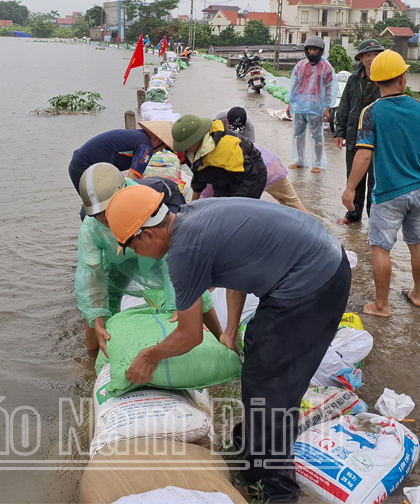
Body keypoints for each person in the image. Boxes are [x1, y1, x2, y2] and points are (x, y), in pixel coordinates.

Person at [105, 186, 351, 502]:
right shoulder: (192, 215)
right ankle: (252, 445)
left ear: (147, 235)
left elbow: (190, 334)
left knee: (269, 383)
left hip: (312, 281)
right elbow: (241, 271)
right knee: (261, 360)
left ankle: (274, 488)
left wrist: (151, 355)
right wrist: (231, 333)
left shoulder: (183, 253)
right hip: (321, 257)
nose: (134, 254)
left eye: (130, 246)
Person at [74, 163, 221, 355]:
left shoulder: (143, 202)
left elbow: (172, 253)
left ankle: (223, 341)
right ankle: (92, 361)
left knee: (194, 295)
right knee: (95, 315)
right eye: (98, 214)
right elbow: (91, 275)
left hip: (160, 257)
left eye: (108, 210)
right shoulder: (91, 228)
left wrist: (180, 306)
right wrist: (98, 320)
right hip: (118, 262)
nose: (104, 218)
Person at [341, 50, 420, 317]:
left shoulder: (372, 112)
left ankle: (381, 305)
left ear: (376, 82)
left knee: (380, 247)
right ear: (403, 79)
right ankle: (418, 295)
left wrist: (351, 187)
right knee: (417, 243)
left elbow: (363, 155)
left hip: (389, 193)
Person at [213, 107, 309, 212]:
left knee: (227, 207)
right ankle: (313, 225)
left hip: (258, 168)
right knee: (293, 202)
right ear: (226, 119)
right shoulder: (217, 121)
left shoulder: (247, 126)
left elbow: (248, 150)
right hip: (271, 164)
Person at [334, 39, 385, 225]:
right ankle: (353, 215)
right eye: (368, 55)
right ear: (361, 58)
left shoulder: (387, 78)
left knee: (375, 180)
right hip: (355, 134)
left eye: (376, 55)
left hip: (378, 137)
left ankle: (374, 218)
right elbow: (344, 106)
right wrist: (339, 132)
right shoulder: (354, 79)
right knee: (354, 175)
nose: (372, 59)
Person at [170, 114, 267, 200]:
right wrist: (192, 205)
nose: (185, 149)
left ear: (198, 138)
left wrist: (236, 202)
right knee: (218, 202)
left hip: (251, 174)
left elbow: (251, 175)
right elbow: (198, 172)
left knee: (234, 210)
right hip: (224, 173)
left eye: (187, 145)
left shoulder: (225, 148)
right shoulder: (192, 151)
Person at [68, 121, 175, 196]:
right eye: (165, 147)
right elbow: (132, 179)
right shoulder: (146, 147)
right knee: (99, 209)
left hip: (83, 163)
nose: (161, 151)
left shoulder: (139, 138)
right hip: (84, 167)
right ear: (158, 139)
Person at [286, 36, 336, 173]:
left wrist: (328, 108)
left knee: (317, 135)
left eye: (315, 49)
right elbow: (294, 85)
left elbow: (330, 88)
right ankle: (299, 160)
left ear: (320, 50)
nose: (312, 52)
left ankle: (318, 163)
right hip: (300, 104)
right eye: (310, 49)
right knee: (297, 134)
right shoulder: (301, 65)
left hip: (316, 105)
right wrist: (290, 104)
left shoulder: (326, 67)